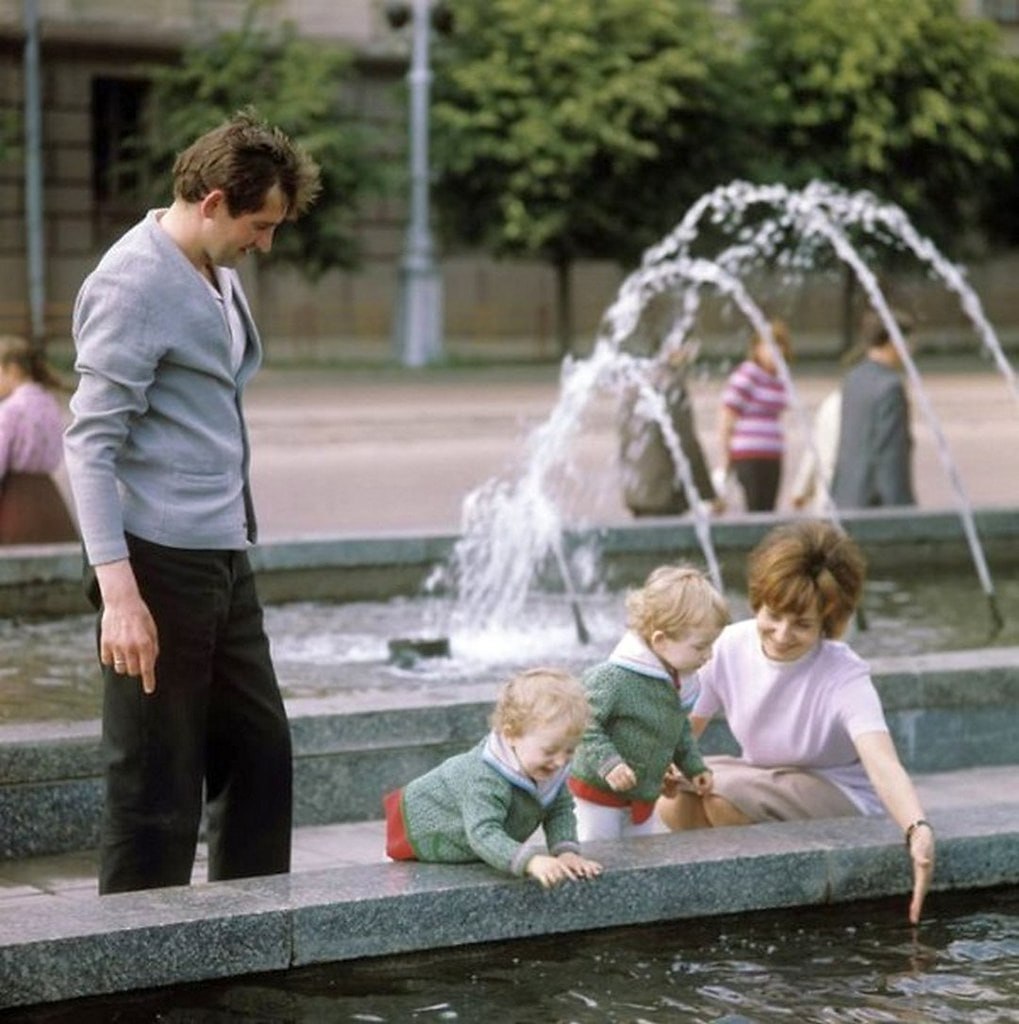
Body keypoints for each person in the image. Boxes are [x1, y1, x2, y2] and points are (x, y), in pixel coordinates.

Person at [63, 111, 321, 894]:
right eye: (258, 225)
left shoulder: (215, 271)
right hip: (154, 559)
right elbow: (89, 445)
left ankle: (246, 933)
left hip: (219, 549)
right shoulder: (132, 282)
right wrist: (120, 596)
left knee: (258, 753)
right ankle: (139, 957)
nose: (264, 244)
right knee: (155, 782)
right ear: (212, 202)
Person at [655, 520, 936, 925]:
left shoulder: (844, 673)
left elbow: (883, 763)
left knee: (723, 795)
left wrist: (917, 827)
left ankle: (761, 905)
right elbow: (685, 733)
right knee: (676, 796)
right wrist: (661, 769)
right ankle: (724, 897)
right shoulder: (729, 646)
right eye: (774, 615)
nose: (782, 633)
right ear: (759, 602)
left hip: (837, 790)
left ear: (827, 623)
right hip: (763, 778)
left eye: (803, 624)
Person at [384, 667, 604, 888]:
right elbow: (483, 832)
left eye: (570, 750)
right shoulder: (484, 776)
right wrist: (530, 861)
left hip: (464, 840)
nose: (560, 761)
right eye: (550, 750)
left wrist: (566, 853)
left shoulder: (548, 768)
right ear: (511, 735)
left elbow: (559, 811)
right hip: (421, 837)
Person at [568, 565, 730, 840]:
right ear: (661, 640)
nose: (709, 655)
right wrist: (609, 764)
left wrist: (694, 767)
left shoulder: (679, 680)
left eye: (711, 645)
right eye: (700, 646)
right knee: (597, 852)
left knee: (641, 857)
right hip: (598, 794)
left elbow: (679, 730)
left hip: (643, 796)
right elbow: (582, 723)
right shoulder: (613, 678)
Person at [619, 343, 720, 517]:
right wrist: (708, 494)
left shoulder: (636, 384)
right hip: (664, 490)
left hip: (637, 490)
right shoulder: (672, 386)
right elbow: (685, 444)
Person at [830, 309, 916, 509]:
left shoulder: (853, 378)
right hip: (875, 502)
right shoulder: (891, 387)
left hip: (846, 496)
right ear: (893, 341)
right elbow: (890, 456)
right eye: (908, 341)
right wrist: (901, 510)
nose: (911, 349)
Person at [0, 335, 78, 544]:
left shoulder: (10, 410)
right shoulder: (50, 404)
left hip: (15, 504)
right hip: (50, 500)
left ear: (12, 370)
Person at [717, 320, 791, 512]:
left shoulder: (779, 378)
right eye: (769, 346)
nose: (775, 352)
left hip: (772, 454)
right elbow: (727, 415)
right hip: (748, 453)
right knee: (755, 506)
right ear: (757, 348)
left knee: (768, 508)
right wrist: (725, 458)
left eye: (779, 346)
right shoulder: (747, 374)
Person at [790, 388, 841, 513]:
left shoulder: (830, 403)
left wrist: (800, 490)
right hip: (853, 501)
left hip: (827, 496)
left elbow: (813, 450)